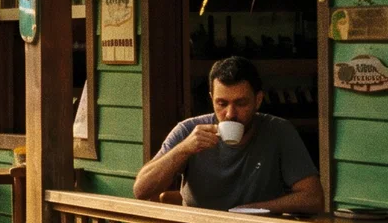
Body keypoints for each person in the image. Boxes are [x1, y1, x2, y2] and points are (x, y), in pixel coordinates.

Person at [133, 56, 323, 212]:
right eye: (222, 104)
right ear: (211, 99)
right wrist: (183, 149)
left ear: (258, 100)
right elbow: (141, 189)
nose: (230, 114)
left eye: (241, 103)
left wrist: (255, 210)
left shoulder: (278, 131)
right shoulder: (189, 130)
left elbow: (313, 198)